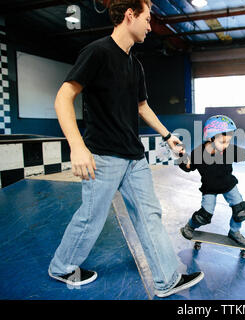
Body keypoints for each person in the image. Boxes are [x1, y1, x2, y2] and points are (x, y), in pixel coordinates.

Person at [48, 0, 203, 298]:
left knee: (149, 214)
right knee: (91, 218)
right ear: (129, 15)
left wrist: (167, 134)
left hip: (134, 157)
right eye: (147, 18)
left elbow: (141, 106)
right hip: (103, 156)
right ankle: (61, 266)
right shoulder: (97, 52)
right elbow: (63, 98)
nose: (150, 25)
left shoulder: (135, 64)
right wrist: (77, 147)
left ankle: (167, 279)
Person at [178, 115, 245, 246]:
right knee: (204, 215)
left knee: (241, 211)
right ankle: (190, 226)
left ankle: (234, 232)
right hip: (209, 188)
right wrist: (181, 156)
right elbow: (188, 167)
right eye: (222, 142)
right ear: (210, 138)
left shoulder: (229, 150)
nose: (225, 145)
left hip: (228, 185)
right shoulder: (198, 153)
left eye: (228, 141)